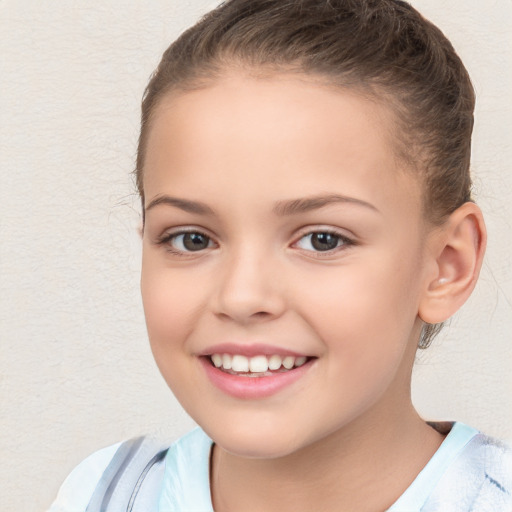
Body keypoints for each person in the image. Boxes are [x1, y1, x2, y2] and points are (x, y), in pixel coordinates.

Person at [48, 0, 512, 510]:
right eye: (192, 239)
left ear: (448, 265)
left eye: (322, 240)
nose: (242, 297)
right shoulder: (104, 494)